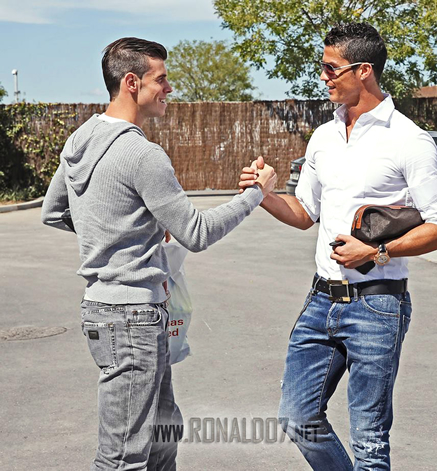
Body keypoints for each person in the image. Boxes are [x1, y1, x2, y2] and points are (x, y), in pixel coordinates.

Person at [41, 37, 276, 471]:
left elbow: (54, 211)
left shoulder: (81, 139)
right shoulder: (142, 154)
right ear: (131, 82)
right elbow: (197, 232)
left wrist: (119, 231)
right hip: (130, 317)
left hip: (110, 312)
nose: (169, 89)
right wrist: (255, 195)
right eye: (161, 79)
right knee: (123, 457)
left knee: (165, 432)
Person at [240, 23, 437, 470]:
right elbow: (304, 214)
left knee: (369, 439)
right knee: (298, 418)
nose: (322, 77)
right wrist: (263, 194)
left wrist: (377, 253)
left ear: (364, 71)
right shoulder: (323, 137)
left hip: (378, 305)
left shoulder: (408, 140)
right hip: (321, 300)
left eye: (330, 68)